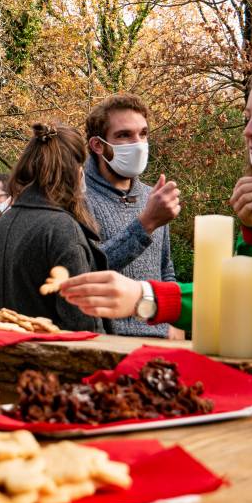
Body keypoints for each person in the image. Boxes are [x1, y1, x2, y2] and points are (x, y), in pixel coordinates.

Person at [59, 52, 252, 330]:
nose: (248, 131)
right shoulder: (77, 201)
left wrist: (153, 301)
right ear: (97, 145)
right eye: (248, 117)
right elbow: (79, 273)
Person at [0, 122, 107, 332]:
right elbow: (82, 325)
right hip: (51, 358)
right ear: (76, 172)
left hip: (5, 356)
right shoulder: (62, 228)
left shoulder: (1, 222)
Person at [84, 93, 182, 339]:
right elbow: (85, 272)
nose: (137, 143)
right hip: (109, 342)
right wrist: (145, 224)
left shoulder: (152, 196)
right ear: (98, 145)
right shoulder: (77, 198)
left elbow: (165, 269)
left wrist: (176, 321)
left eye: (143, 134)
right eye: (124, 135)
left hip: (161, 338)